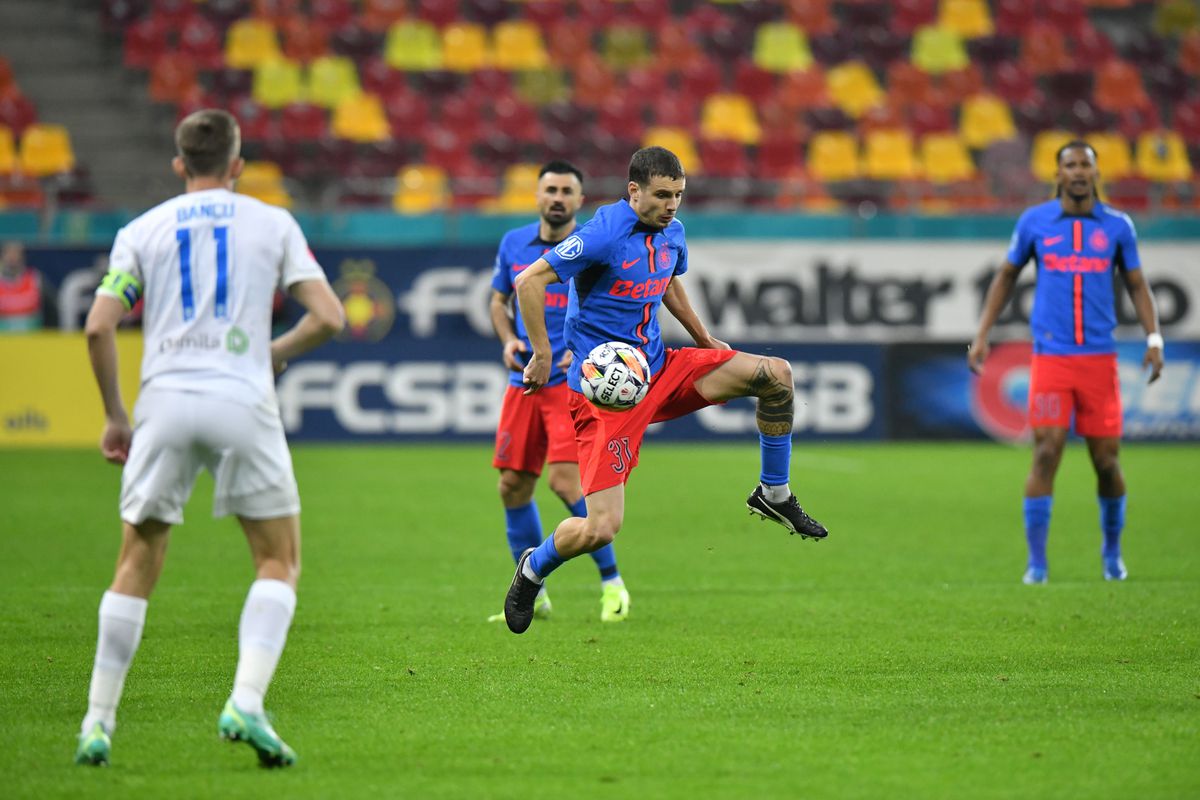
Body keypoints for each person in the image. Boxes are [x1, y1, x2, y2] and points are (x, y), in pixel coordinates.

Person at [75, 109, 345, 767]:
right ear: (237, 165)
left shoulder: (142, 230)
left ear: (179, 165)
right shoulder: (272, 223)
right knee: (277, 561)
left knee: (136, 560)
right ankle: (246, 700)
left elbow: (98, 326)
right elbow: (329, 317)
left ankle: (97, 723)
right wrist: (270, 353)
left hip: (164, 402)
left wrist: (115, 416)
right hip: (241, 398)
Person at [501, 146, 829, 634]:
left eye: (678, 194)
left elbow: (668, 282)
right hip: (605, 395)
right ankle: (533, 567)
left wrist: (704, 339)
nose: (671, 204)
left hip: (658, 368)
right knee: (600, 529)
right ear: (633, 191)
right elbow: (529, 281)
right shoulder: (603, 233)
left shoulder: (672, 231)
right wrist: (542, 354)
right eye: (661, 195)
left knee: (775, 375)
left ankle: (773, 493)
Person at [968, 139, 1163, 585]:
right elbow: (1006, 276)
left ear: (1095, 172)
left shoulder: (1117, 226)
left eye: (1084, 165)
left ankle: (1112, 553)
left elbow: (1137, 284)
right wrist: (982, 335)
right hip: (1052, 359)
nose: (1077, 172)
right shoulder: (1035, 222)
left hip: (1099, 361)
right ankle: (1037, 564)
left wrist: (1154, 338)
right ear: (1057, 174)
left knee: (1107, 462)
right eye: (1070, 165)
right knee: (1045, 453)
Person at [488, 160, 630, 624]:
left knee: (566, 482)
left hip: (571, 383)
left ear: (579, 200)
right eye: (550, 189)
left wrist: (584, 350)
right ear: (536, 195)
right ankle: (533, 592)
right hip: (523, 382)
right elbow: (498, 300)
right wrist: (508, 339)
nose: (557, 198)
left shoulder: (593, 244)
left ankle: (612, 584)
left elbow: (611, 306)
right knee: (512, 486)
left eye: (567, 191)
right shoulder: (513, 243)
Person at [0, 240, 54, 331]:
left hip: (32, 336)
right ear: (2, 256)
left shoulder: (35, 278)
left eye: (16, 253)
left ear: (23, 257)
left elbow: (52, 310)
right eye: (9, 253)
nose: (12, 258)